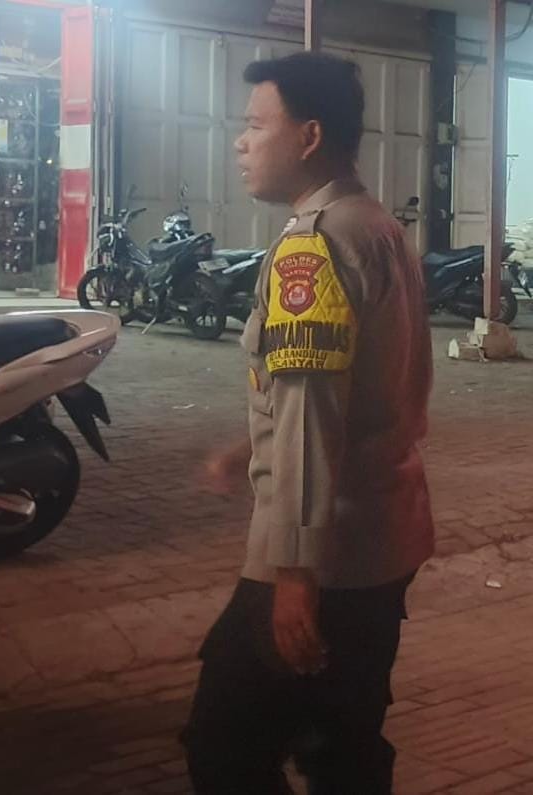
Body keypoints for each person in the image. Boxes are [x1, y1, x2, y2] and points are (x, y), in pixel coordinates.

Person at [180, 52, 434, 794]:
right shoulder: (377, 227)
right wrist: (248, 446)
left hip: (323, 557)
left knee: (224, 745)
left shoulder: (313, 245)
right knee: (344, 744)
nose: (240, 141)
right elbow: (355, 390)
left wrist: (294, 571)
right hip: (384, 534)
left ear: (309, 135)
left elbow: (310, 412)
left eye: (256, 125)